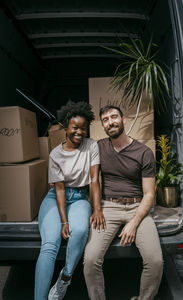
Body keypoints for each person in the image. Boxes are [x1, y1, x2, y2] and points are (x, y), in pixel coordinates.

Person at [83, 105, 163, 300]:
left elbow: (150, 194)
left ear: (123, 119)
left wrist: (133, 224)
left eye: (114, 117)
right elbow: (91, 179)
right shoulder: (98, 147)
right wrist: (97, 209)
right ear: (102, 125)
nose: (110, 122)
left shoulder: (144, 152)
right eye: (105, 119)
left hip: (138, 207)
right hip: (108, 207)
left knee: (155, 261)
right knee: (91, 259)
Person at [34, 101, 105, 300]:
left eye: (83, 128)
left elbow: (94, 180)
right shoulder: (55, 154)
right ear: (66, 127)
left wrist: (97, 209)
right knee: (50, 245)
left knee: (80, 230)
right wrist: (64, 221)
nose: (79, 132)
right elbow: (58, 190)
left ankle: (65, 278)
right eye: (75, 127)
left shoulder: (91, 145)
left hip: (80, 197)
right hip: (57, 198)